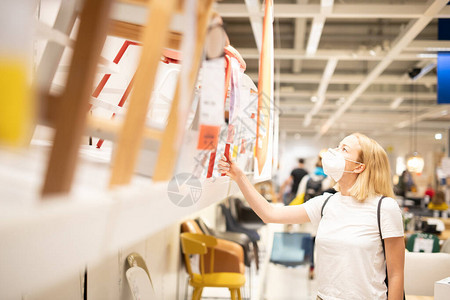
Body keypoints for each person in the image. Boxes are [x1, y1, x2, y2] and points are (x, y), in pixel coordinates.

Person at [219, 133, 405, 300]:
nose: (334, 152)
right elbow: (270, 214)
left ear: (359, 167)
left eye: (344, 149)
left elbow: (396, 274)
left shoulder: (385, 208)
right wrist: (239, 177)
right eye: (338, 146)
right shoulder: (325, 203)